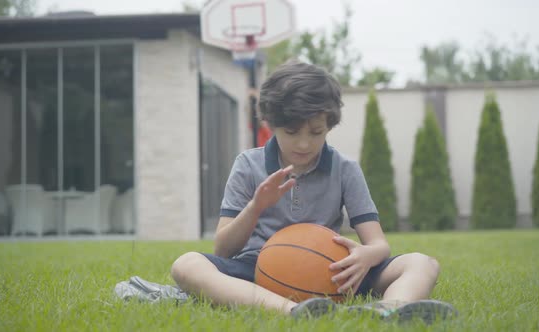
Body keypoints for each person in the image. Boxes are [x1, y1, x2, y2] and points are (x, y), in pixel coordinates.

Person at [171, 60, 457, 323]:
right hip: (260, 269)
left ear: (329, 126)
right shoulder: (247, 165)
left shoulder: (345, 169)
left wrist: (365, 257)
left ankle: (389, 310)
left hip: (333, 272)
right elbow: (223, 249)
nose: (305, 144)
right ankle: (294, 311)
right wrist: (256, 207)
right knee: (186, 265)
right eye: (292, 133)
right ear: (271, 125)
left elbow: (379, 244)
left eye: (316, 132)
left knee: (423, 263)